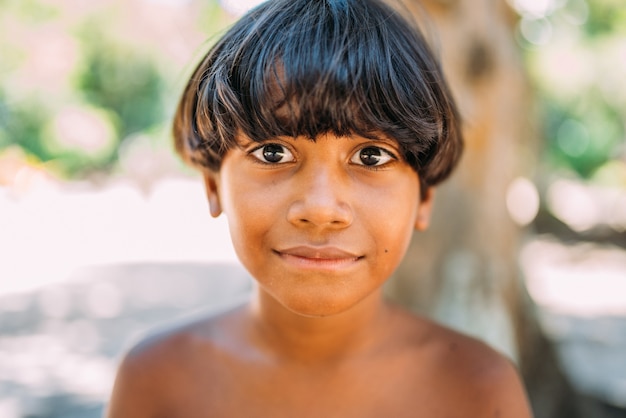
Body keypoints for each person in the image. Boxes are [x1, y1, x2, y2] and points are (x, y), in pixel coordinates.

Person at [106, 0, 534, 416]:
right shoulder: (157, 379)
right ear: (213, 184)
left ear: (424, 198)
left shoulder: (477, 389)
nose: (321, 208)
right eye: (273, 153)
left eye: (371, 157)